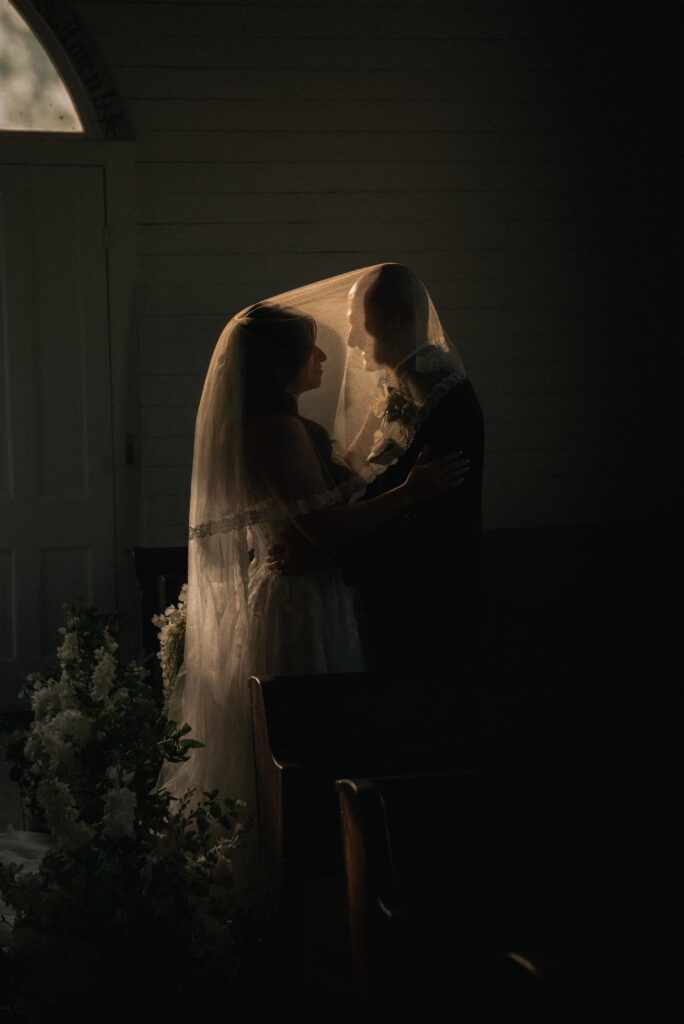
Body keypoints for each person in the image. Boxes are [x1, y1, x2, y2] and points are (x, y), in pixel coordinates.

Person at [158, 279, 469, 901]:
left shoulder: (284, 426)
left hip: (307, 594)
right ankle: (310, 876)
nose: (326, 359)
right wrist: (413, 492)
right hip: (300, 608)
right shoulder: (273, 431)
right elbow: (323, 525)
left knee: (326, 738)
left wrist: (382, 426)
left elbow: (332, 486)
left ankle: (327, 870)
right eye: (311, 351)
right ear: (279, 365)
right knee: (314, 744)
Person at [269, 263, 489, 671]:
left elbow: (430, 523)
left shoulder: (447, 402)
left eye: (359, 324)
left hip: (433, 606)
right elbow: (365, 479)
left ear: (401, 318)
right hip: (395, 602)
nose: (350, 340)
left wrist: (329, 559)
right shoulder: (401, 387)